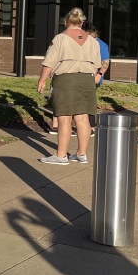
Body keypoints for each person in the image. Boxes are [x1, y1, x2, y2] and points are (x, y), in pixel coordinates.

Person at [36, 8, 101, 165]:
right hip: (87, 80)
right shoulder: (93, 41)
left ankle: (61, 155)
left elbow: (49, 63)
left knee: (64, 117)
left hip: (66, 79)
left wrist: (42, 80)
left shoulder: (60, 38)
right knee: (83, 117)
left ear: (66, 21)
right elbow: (96, 66)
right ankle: (81, 153)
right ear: (82, 22)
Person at [49, 21, 109, 135]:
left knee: (83, 105)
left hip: (89, 77)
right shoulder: (75, 40)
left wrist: (99, 74)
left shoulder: (99, 44)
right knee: (71, 102)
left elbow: (105, 61)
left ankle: (90, 127)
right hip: (76, 75)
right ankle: (59, 125)